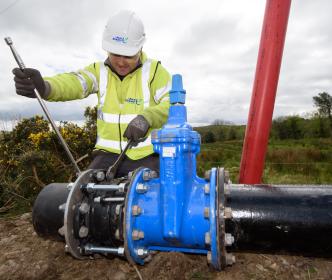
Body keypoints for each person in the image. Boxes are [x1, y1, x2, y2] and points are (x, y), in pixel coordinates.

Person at [12, 10, 171, 177]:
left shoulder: (155, 72)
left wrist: (147, 118)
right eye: (115, 54)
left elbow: (172, 105)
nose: (121, 62)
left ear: (140, 48)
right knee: (83, 195)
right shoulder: (98, 71)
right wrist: (44, 86)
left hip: (147, 158)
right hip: (106, 157)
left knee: (152, 199)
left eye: (128, 55)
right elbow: (74, 82)